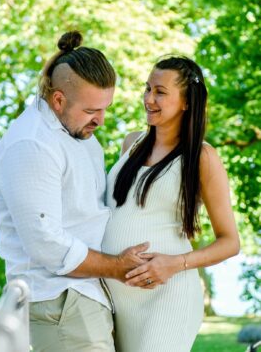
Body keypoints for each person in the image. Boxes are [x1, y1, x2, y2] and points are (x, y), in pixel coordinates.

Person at [0, 30, 149, 352]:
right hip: (59, 303)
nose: (100, 121)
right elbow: (45, 243)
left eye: (104, 109)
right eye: (91, 111)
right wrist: (118, 266)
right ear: (58, 99)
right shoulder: (32, 144)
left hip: (84, 300)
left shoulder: (78, 135)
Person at [102, 56, 240, 352]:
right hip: (118, 299)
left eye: (160, 92)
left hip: (167, 294)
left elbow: (230, 242)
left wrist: (174, 264)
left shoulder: (202, 158)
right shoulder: (132, 144)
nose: (149, 99)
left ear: (187, 102)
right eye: (147, 88)